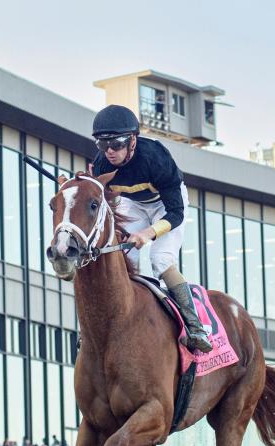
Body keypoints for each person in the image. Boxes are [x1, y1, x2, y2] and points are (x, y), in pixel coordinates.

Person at [90, 104, 212, 353]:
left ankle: (195, 326)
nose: (110, 152)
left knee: (160, 258)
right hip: (132, 204)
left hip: (165, 205)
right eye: (103, 145)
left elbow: (176, 213)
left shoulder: (156, 157)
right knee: (122, 256)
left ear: (132, 140)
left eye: (117, 144)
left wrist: (147, 233)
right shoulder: (102, 164)